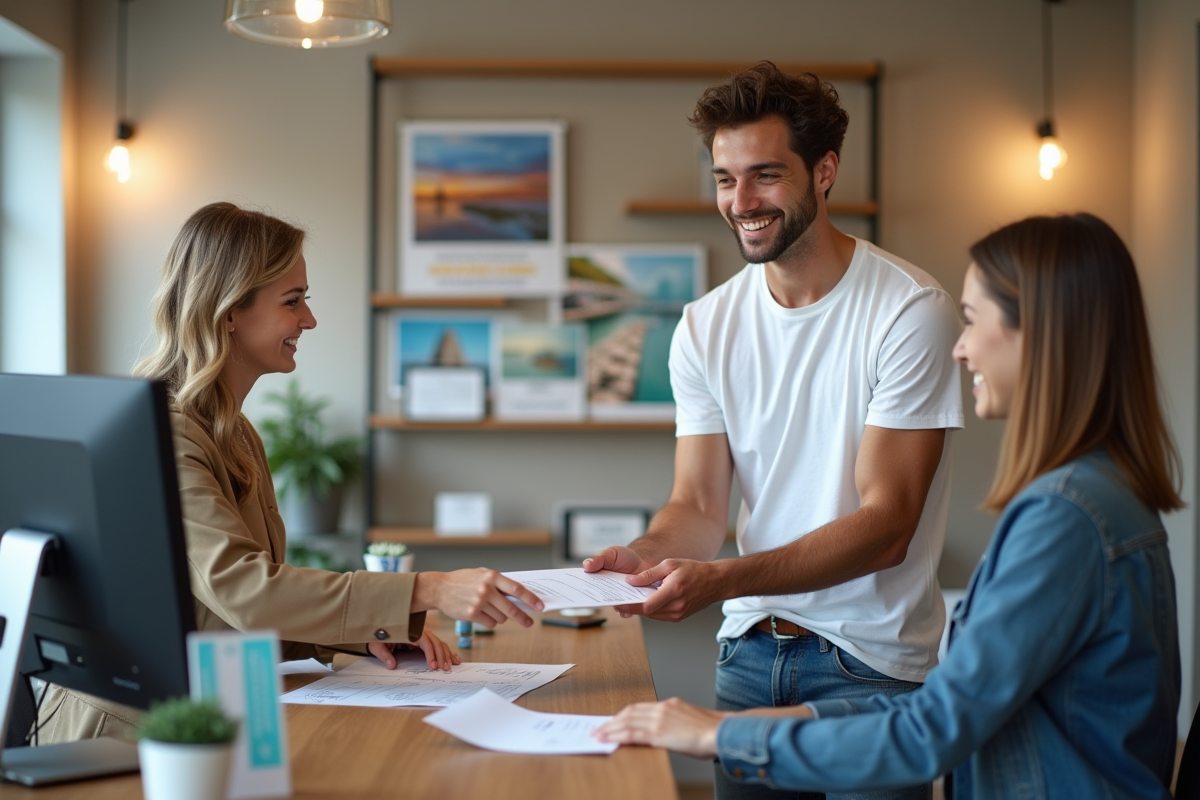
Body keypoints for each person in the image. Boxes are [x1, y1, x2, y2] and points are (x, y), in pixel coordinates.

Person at [596, 213, 1183, 799]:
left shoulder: (1064, 520)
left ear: (1045, 333)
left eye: (974, 320)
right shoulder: (1096, 498)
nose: (958, 347)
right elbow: (951, 715)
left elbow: (932, 731)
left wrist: (723, 736)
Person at [584, 62, 963, 800]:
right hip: (752, 659)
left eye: (765, 176)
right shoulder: (704, 326)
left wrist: (723, 578)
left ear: (824, 171)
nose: (741, 202)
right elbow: (696, 507)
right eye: (726, 179)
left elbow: (887, 527)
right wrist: (647, 556)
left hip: (873, 665)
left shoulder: (909, 311)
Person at [35, 201, 544, 743]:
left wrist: (355, 638)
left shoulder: (231, 430)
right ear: (230, 310)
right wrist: (430, 588)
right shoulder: (165, 431)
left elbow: (221, 617)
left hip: (193, 722)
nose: (309, 319)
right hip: (122, 739)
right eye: (293, 301)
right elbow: (246, 590)